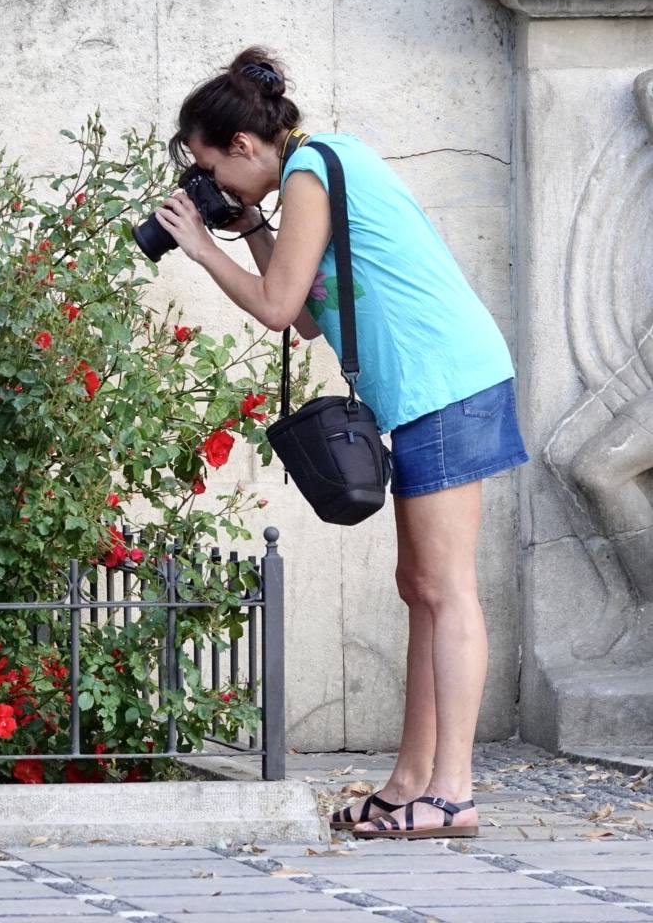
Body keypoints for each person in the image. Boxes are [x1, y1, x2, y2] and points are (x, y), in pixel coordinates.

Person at [155, 46, 529, 840]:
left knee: (445, 588)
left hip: (446, 385)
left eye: (211, 166)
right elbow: (300, 314)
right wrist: (250, 227)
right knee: (417, 586)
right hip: (434, 389)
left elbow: (271, 304)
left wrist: (204, 247)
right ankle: (408, 784)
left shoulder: (310, 172)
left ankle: (452, 793)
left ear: (245, 146)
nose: (212, 185)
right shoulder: (317, 168)